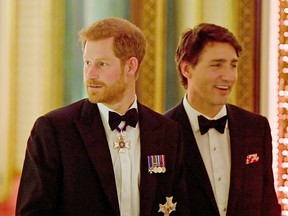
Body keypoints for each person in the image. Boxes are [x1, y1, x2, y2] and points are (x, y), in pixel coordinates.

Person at [16, 17, 189, 216]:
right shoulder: (53, 130)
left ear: (131, 66)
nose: (90, 75)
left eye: (102, 64)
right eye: (87, 63)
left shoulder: (169, 132)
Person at [165, 23, 281, 216]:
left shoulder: (256, 128)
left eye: (233, 65)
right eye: (216, 65)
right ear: (187, 69)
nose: (228, 76)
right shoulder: (162, 133)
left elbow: (268, 204)